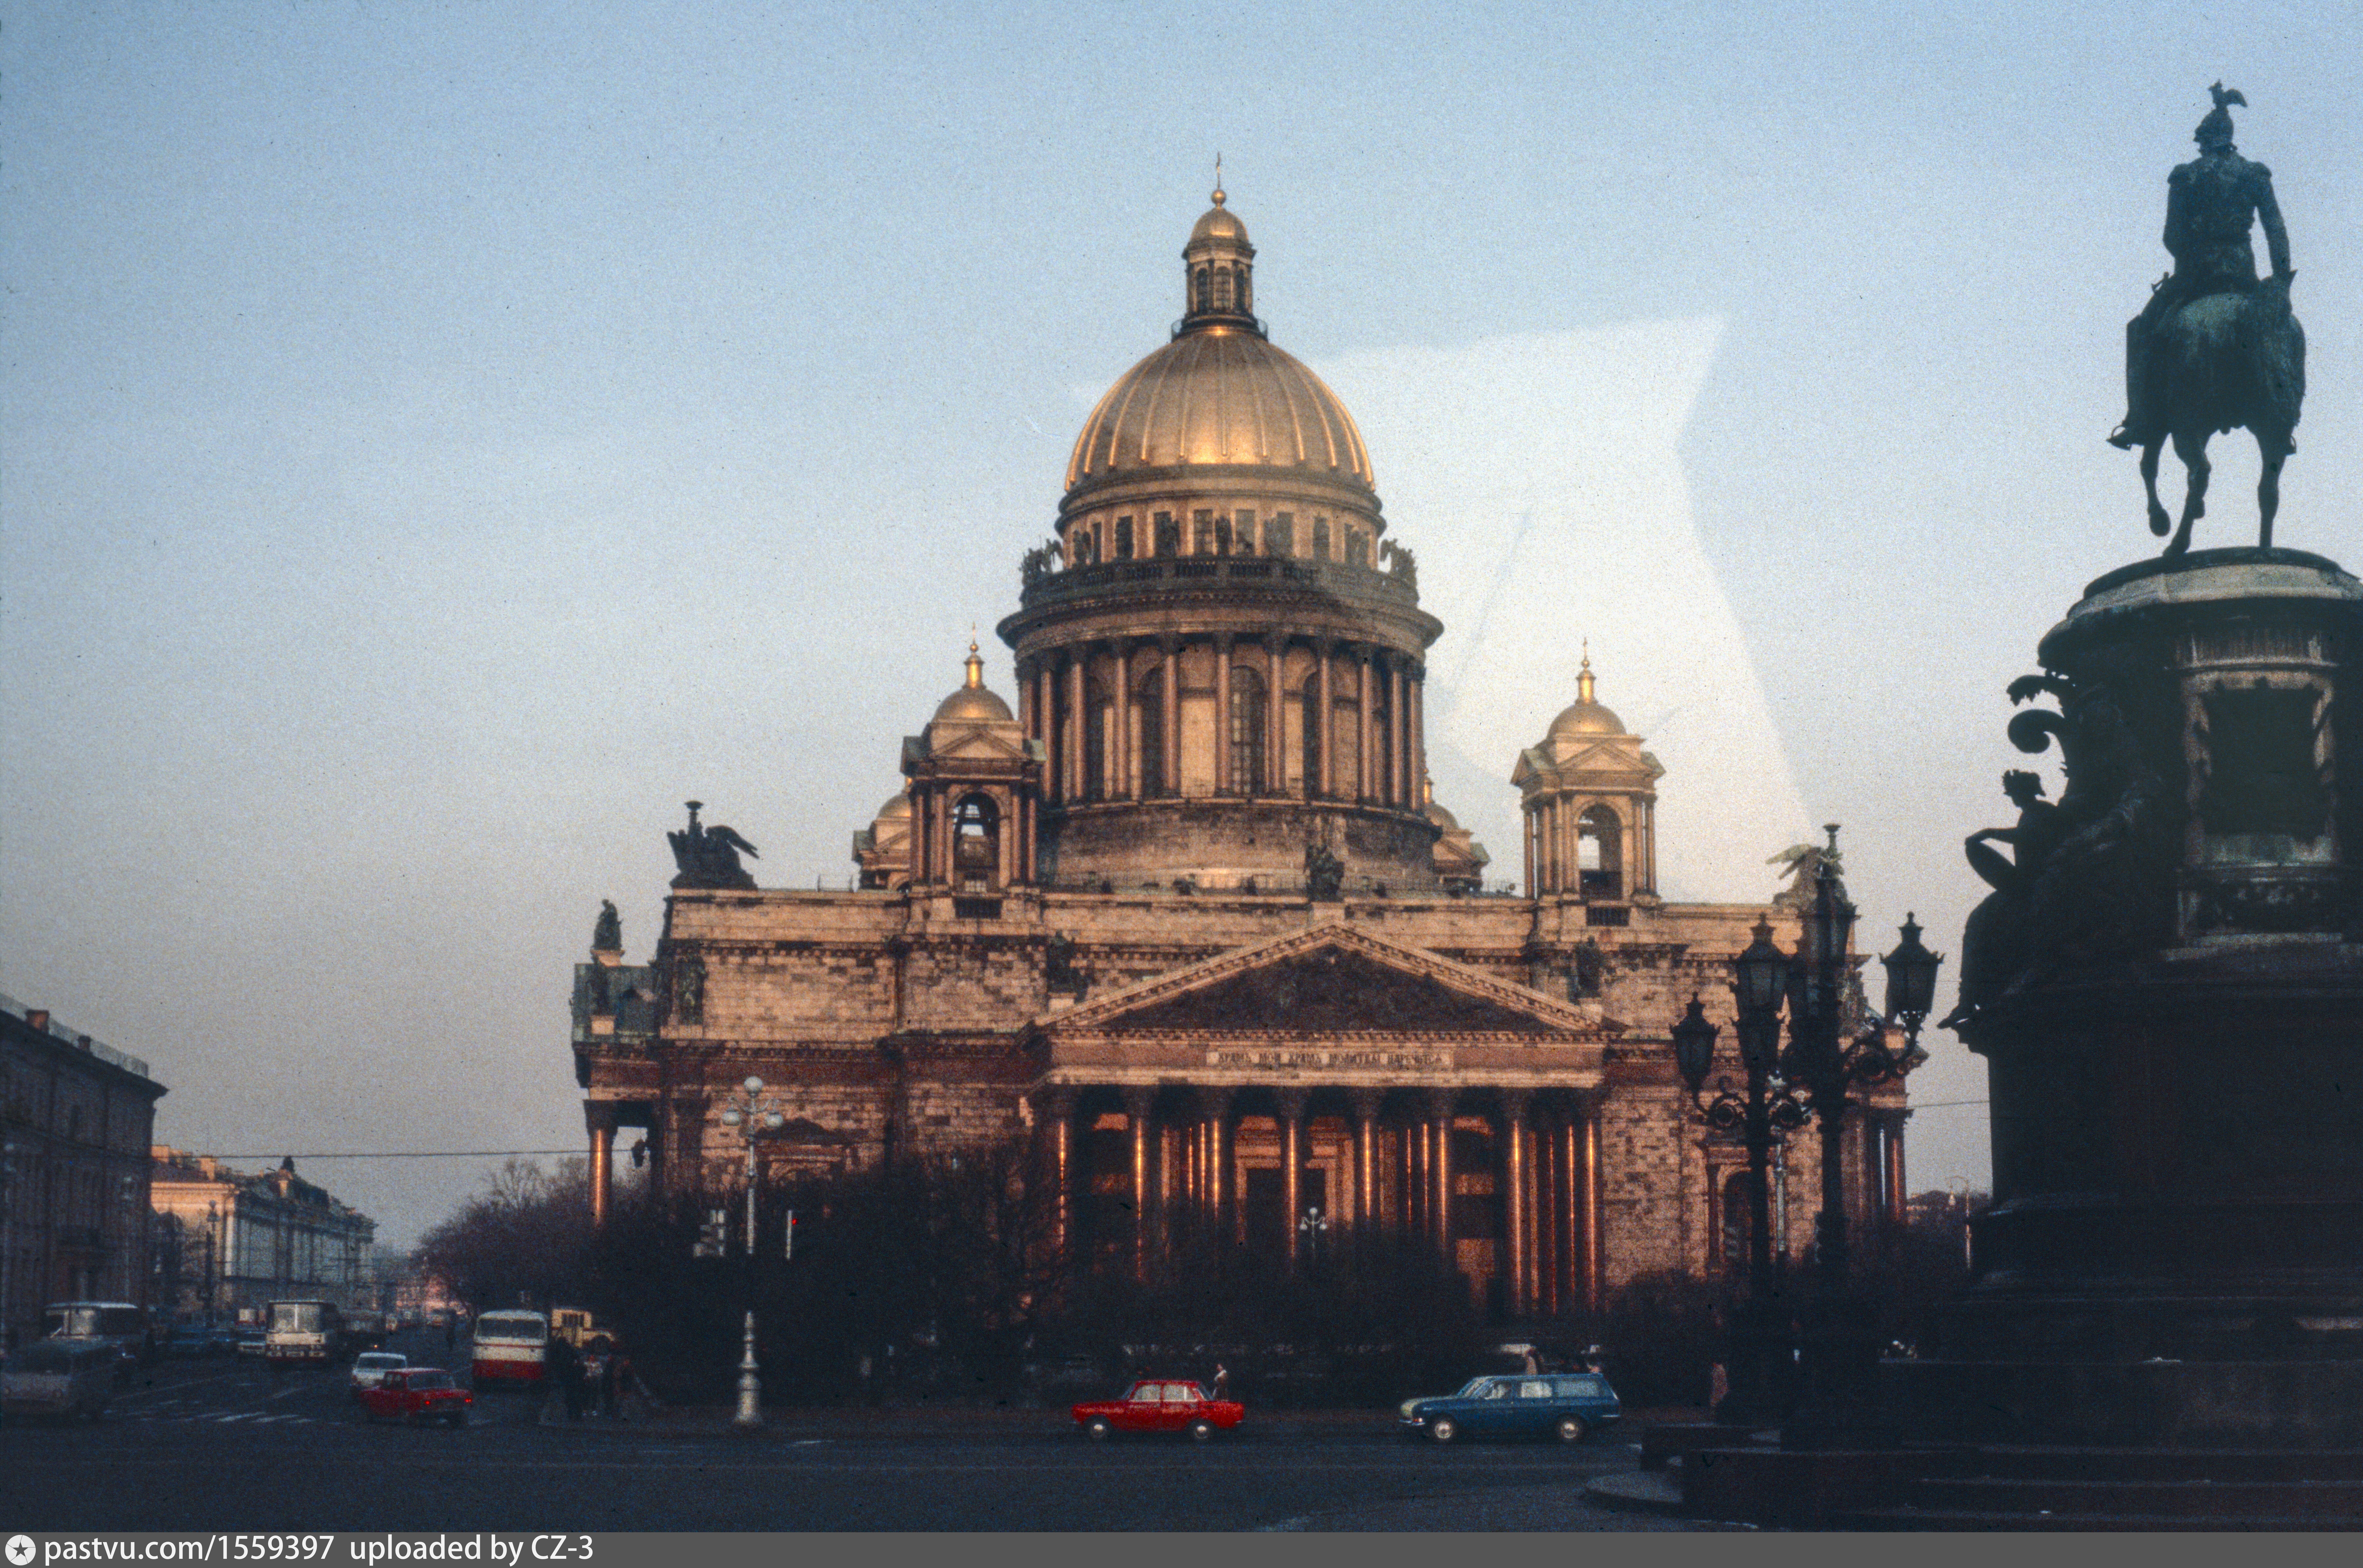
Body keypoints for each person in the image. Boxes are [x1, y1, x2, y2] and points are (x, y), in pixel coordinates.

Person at [2112, 85, 2292, 450]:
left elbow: (2171, 237)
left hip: (2196, 275)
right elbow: (2276, 230)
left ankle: (2138, 421)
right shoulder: (2254, 174)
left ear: (2205, 142)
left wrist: (2190, 249)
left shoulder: (2186, 176)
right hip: (2244, 274)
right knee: (2281, 332)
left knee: (2142, 329)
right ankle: (2284, 418)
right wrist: (2281, 281)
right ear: (2230, 140)